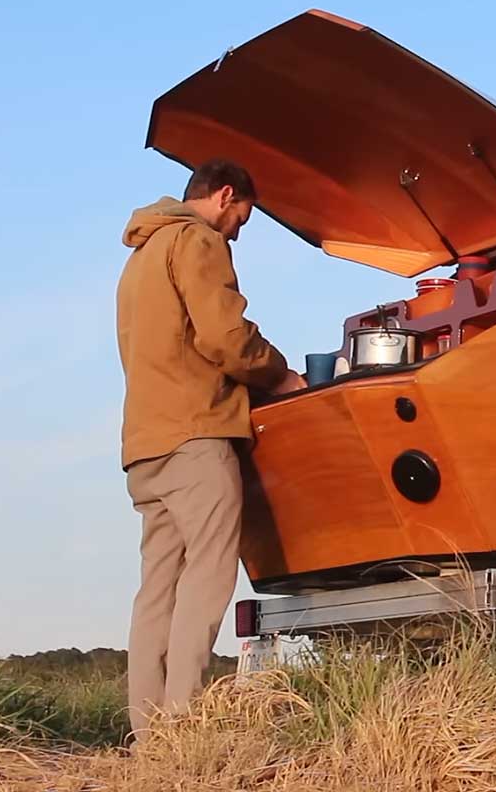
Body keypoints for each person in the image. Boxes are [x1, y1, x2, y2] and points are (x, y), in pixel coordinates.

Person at [115, 159, 306, 735]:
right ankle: (183, 728)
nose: (239, 231)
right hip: (196, 435)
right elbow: (225, 335)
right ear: (226, 195)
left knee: (157, 593)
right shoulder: (197, 241)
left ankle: (150, 738)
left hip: (145, 443)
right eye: (242, 218)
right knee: (207, 579)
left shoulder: (139, 257)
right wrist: (280, 378)